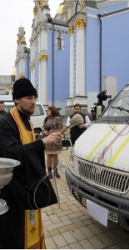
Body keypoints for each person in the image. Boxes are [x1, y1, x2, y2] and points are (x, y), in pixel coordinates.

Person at [0, 78, 61, 249]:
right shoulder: (5, 123)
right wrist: (42, 143)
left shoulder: (27, 120)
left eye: (34, 97)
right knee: (15, 233)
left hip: (27, 186)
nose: (33, 102)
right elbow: (11, 155)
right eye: (29, 97)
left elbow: (27, 151)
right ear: (17, 100)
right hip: (13, 191)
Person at [43, 106, 63, 179]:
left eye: (48, 110)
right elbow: (43, 127)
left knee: (55, 156)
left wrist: (51, 132)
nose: (47, 111)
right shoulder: (46, 119)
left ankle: (55, 172)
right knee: (48, 156)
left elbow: (60, 129)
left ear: (52, 111)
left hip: (56, 140)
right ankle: (49, 172)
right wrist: (45, 132)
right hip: (48, 140)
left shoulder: (58, 118)